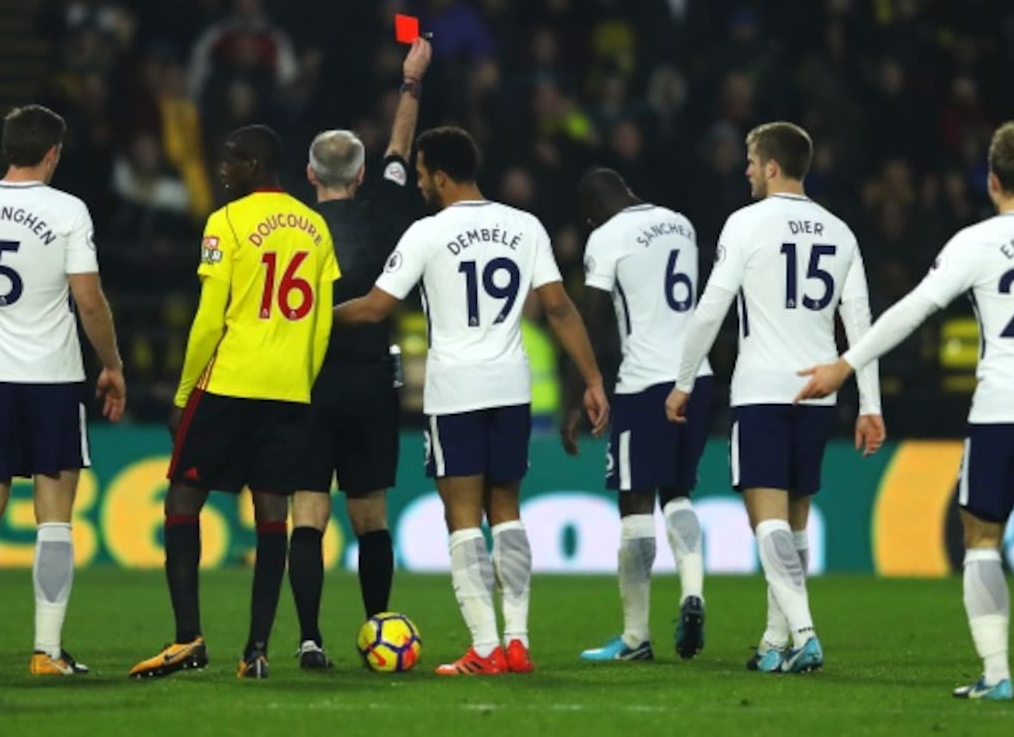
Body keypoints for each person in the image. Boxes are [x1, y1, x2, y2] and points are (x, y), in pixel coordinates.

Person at [797, 121, 1014, 701]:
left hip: (1001, 413)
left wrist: (845, 364)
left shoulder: (976, 243)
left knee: (980, 538)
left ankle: (997, 675)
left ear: (992, 180)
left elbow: (911, 311)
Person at [335, 125, 610, 676]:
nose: (417, 185)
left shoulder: (427, 233)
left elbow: (373, 307)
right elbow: (558, 308)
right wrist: (593, 380)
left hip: (456, 390)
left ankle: (484, 648)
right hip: (511, 387)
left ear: (439, 175)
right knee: (506, 512)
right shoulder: (524, 225)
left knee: (462, 518)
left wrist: (309, 320)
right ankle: (517, 642)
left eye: (419, 175)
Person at [665, 121, 884, 674]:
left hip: (762, 387)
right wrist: (870, 404)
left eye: (749, 160)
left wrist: (684, 380)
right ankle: (773, 640)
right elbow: (861, 326)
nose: (745, 170)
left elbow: (710, 310)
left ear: (770, 167)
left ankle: (805, 635)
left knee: (767, 521)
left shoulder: (745, 223)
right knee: (796, 520)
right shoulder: (841, 232)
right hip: (817, 391)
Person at [130, 125, 339, 681]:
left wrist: (182, 393)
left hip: (228, 383)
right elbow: (320, 326)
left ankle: (187, 639)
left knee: (182, 501)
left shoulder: (225, 223)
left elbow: (208, 318)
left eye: (230, 160)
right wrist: (301, 379)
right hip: (288, 389)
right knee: (272, 514)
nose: (222, 169)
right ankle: (256, 651)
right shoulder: (316, 229)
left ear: (255, 164)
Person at [0, 105, 126, 676]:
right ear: (53, 152)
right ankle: (47, 651)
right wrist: (113, 365)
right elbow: (89, 300)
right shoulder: (67, 211)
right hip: (51, 380)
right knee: (53, 519)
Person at [287, 37, 430, 669]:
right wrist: (411, 83)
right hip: (373, 377)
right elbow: (400, 149)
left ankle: (310, 637)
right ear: (364, 175)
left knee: (308, 513)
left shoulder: (290, 227)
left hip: (307, 379)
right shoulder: (388, 207)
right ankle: (378, 624)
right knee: (371, 513)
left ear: (311, 175)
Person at [564, 168, 714, 663]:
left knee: (635, 504)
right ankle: (692, 592)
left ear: (591, 213)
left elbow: (592, 317)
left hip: (645, 382)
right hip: (697, 378)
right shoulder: (681, 223)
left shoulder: (605, 237)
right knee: (678, 493)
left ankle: (634, 638)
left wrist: (581, 391)